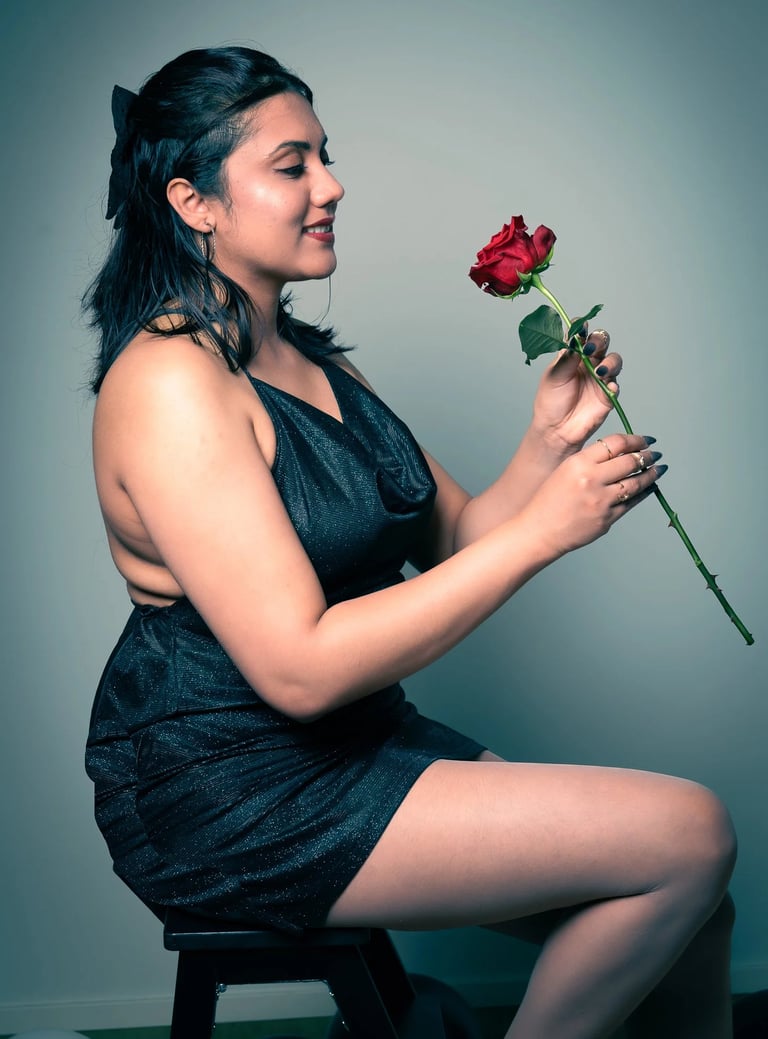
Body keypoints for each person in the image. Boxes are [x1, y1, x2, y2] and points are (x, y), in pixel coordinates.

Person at [83, 46, 736, 1039]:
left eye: (325, 156)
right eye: (292, 164)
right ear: (194, 201)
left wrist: (546, 439)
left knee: (696, 908)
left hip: (360, 742)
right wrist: (544, 536)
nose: (331, 186)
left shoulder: (307, 359)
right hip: (235, 786)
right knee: (690, 834)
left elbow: (457, 536)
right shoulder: (170, 381)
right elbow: (299, 670)